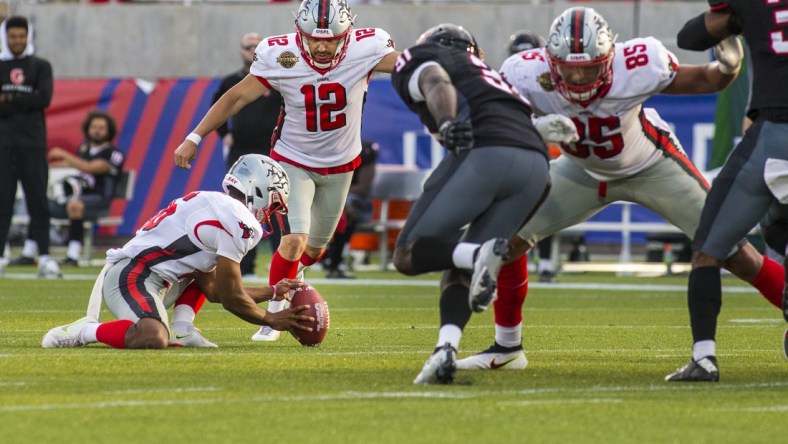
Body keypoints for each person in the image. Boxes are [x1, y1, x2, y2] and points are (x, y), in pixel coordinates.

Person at [455, 6, 785, 375]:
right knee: (509, 236)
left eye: (590, 67)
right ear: (550, 62)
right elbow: (494, 126)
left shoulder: (638, 63)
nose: (579, 77)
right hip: (580, 170)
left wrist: (727, 71)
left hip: (652, 165)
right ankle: (507, 347)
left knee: (734, 254)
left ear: (610, 59)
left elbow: (703, 80)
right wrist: (533, 128)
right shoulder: (525, 72)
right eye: (569, 68)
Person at [173, 0, 399, 342]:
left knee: (315, 250)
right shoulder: (282, 54)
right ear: (299, 32)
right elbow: (236, 98)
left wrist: (456, 62)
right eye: (313, 39)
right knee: (293, 240)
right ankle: (274, 315)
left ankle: (286, 282)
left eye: (331, 39)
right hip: (292, 159)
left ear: (348, 34)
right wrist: (195, 136)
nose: (322, 46)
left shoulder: (367, 48)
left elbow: (412, 66)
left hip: (342, 163)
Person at [390, 24, 550, 384]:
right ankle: (445, 349)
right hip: (537, 169)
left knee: (407, 254)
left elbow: (435, 80)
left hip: (486, 153)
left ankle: (478, 257)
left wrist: (447, 122)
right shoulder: (493, 77)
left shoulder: (424, 57)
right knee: (459, 257)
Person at [41, 154, 314, 349]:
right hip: (133, 274)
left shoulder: (214, 203)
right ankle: (83, 331)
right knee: (152, 336)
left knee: (203, 270)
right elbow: (231, 298)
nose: (269, 214)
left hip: (151, 276)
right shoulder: (239, 221)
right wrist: (271, 318)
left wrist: (273, 292)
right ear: (259, 191)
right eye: (273, 204)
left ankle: (182, 331)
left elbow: (216, 290)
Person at [662, 1, 788, 380]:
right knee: (776, 227)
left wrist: (735, 21)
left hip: (774, 134)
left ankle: (704, 358)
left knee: (707, 250)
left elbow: (691, 35)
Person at [213, 32, 285, 276]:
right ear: (241, 51)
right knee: (239, 208)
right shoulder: (231, 80)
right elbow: (218, 108)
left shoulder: (276, 79)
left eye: (257, 46)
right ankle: (244, 267)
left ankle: (282, 264)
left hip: (272, 152)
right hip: (241, 152)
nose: (252, 50)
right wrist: (225, 134)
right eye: (248, 47)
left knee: (278, 208)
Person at [0, 16, 60, 279]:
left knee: (38, 202)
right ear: (5, 37)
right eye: (12, 36)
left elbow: (43, 99)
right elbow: (32, 99)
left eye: (21, 36)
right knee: (3, 202)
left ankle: (45, 258)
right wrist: (26, 99)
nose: (17, 41)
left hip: (34, 145)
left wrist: (9, 98)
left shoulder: (41, 66)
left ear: (28, 36)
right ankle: (1, 256)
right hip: (4, 146)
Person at [27, 110, 125, 266]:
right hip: (74, 197)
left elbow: (91, 167)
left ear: (109, 131)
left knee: (75, 205)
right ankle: (28, 253)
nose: (97, 130)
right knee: (39, 204)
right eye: (93, 127)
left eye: (101, 127)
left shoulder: (114, 154)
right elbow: (75, 164)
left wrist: (64, 154)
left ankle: (72, 256)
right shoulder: (84, 149)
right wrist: (46, 165)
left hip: (98, 201)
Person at [508, 29, 562, 283]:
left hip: (548, 159)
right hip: (516, 158)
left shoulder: (554, 86)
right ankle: (519, 265)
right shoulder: (506, 80)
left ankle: (547, 264)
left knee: (546, 210)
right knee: (514, 214)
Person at [322, 138, 378, 279]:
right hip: (329, 202)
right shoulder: (323, 153)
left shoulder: (363, 152)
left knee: (345, 211)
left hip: (357, 205)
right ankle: (325, 258)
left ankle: (335, 260)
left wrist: (339, 196)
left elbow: (363, 188)